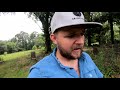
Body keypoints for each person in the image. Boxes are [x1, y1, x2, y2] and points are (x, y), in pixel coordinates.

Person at [28, 12, 103, 78]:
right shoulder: (39, 74)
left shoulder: (86, 58)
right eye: (71, 35)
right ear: (54, 38)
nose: (80, 42)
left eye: (82, 33)